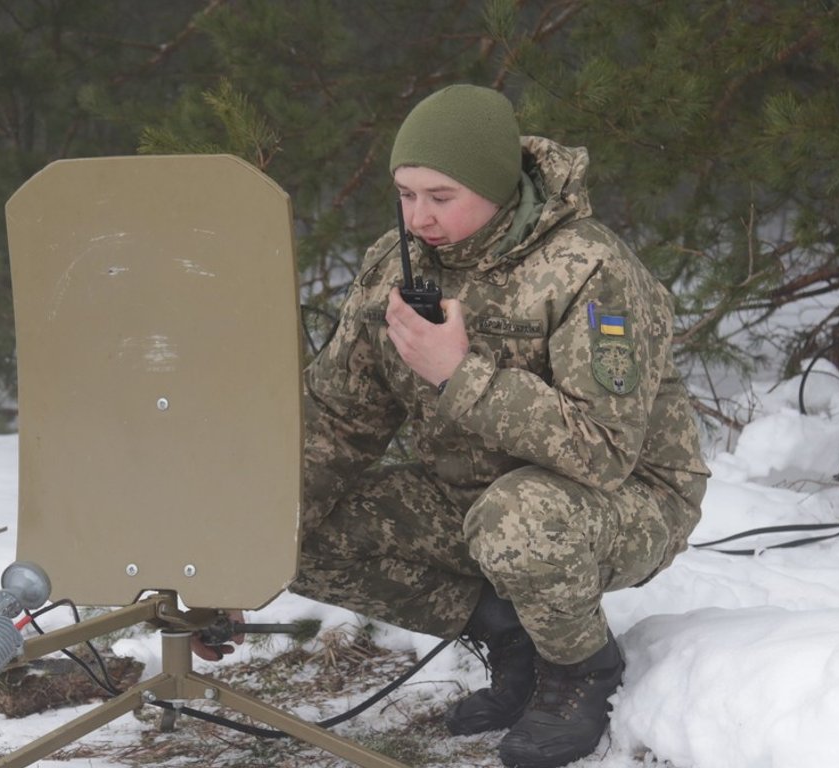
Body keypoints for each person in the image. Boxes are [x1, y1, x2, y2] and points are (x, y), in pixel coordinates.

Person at [286, 84, 711, 768]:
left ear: (494, 185)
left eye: (441, 196)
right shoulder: (394, 267)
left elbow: (603, 452)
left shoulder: (589, 269)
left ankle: (579, 672)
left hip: (625, 501)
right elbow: (338, 421)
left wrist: (459, 374)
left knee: (517, 518)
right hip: (470, 498)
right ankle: (517, 642)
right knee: (287, 528)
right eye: (406, 194)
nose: (419, 216)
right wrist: (240, 552)